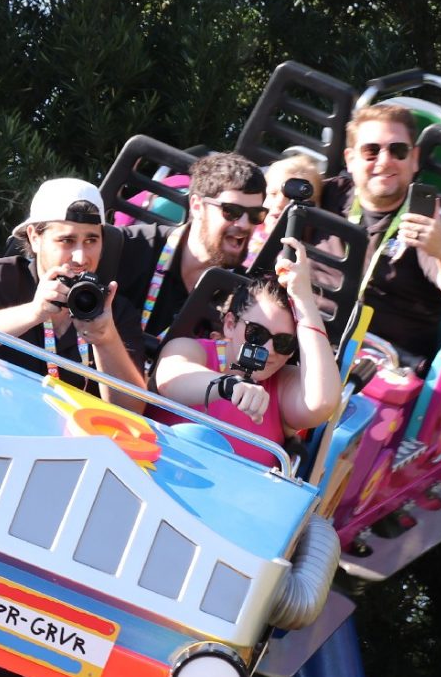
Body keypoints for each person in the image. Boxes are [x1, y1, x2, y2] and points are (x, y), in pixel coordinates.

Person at [0, 177, 145, 405]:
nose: (80, 257)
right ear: (34, 238)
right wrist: (33, 313)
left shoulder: (114, 309)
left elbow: (134, 409)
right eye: (67, 240)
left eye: (91, 240)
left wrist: (106, 340)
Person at [152, 239, 341, 465]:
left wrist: (304, 300)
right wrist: (230, 386)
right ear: (230, 325)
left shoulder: (282, 386)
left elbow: (321, 404)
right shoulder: (192, 350)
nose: (269, 350)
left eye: (283, 343)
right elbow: (171, 380)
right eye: (256, 334)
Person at [320, 104, 441, 364]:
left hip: (381, 362)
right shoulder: (325, 194)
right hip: (308, 335)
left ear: (414, 159)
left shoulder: (426, 222)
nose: (384, 161)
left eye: (398, 150)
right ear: (350, 159)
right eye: (371, 151)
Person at [116, 152, 267, 360]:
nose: (243, 224)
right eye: (231, 211)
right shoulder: (132, 248)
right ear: (197, 206)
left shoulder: (247, 295)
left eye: (255, 215)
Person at [251, 151, 325, 260]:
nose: (279, 203)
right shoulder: (248, 229)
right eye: (273, 194)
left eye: (290, 198)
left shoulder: (303, 254)